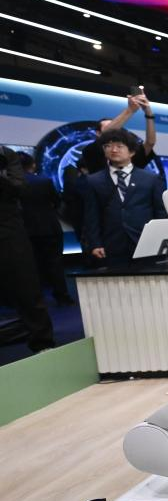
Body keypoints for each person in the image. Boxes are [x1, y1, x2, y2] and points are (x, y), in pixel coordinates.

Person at [81, 128, 167, 266]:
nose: (113, 150)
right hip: (111, 245)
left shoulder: (151, 179)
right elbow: (91, 215)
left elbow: (160, 212)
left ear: (132, 152)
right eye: (108, 146)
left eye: (119, 146)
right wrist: (95, 244)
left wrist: (161, 240)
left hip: (146, 244)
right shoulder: (94, 180)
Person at [0, 147, 55, 352]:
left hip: (8, 229)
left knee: (26, 288)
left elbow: (19, 188)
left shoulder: (6, 154)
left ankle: (43, 343)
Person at [19, 154, 73, 306]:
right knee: (55, 263)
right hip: (49, 227)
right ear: (33, 164)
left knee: (31, 265)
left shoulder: (11, 184)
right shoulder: (44, 181)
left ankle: (36, 299)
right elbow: (56, 202)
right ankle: (62, 296)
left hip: (24, 230)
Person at [77, 93, 158, 173]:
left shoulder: (129, 154)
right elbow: (107, 135)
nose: (115, 150)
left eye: (116, 125)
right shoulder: (91, 151)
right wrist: (130, 110)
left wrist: (149, 114)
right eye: (108, 127)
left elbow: (150, 143)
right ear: (98, 133)